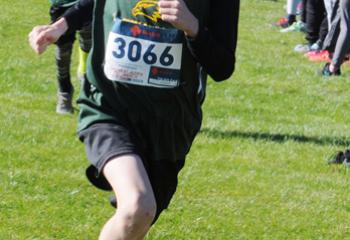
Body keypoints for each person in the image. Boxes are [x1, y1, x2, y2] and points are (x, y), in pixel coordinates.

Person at [29, 0, 239, 239]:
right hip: (109, 107)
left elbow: (223, 67)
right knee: (138, 205)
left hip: (169, 126)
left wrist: (194, 29)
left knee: (137, 219)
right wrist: (61, 25)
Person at [49, 0, 92, 114]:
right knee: (63, 51)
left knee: (88, 42)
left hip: (87, 3)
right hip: (61, 4)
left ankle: (86, 81)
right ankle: (64, 91)